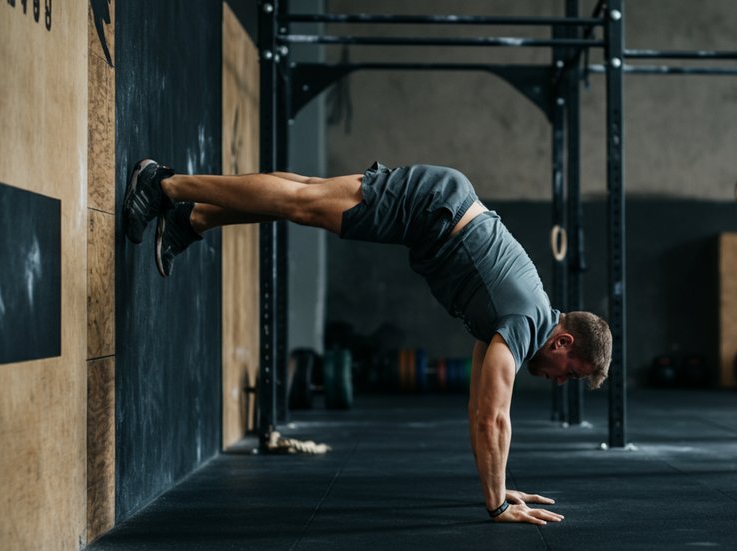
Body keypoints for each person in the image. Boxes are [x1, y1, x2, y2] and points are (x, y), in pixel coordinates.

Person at [123, 160, 613, 525]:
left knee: (305, 195)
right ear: (563, 341)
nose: (557, 380)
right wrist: (498, 503)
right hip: (432, 208)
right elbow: (494, 417)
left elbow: (477, 408)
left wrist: (501, 487)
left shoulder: (519, 321)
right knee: (302, 202)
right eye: (567, 372)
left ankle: (193, 219)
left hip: (439, 206)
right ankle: (164, 184)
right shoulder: (526, 324)